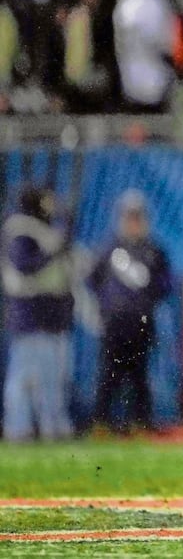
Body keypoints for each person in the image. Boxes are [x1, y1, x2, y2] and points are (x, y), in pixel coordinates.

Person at [87, 190, 171, 434]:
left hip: (141, 321)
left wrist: (146, 301)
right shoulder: (109, 248)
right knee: (109, 374)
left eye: (137, 217)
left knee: (139, 375)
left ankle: (140, 423)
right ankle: (101, 423)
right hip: (114, 322)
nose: (133, 222)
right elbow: (92, 279)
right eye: (129, 217)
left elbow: (165, 284)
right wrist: (108, 304)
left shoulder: (153, 250)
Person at [1, 184, 74, 442]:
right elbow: (25, 266)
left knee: (52, 377)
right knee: (24, 378)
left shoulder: (39, 227)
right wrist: (53, 251)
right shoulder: (20, 227)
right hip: (30, 314)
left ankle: (50, 426)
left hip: (48, 314)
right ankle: (19, 428)